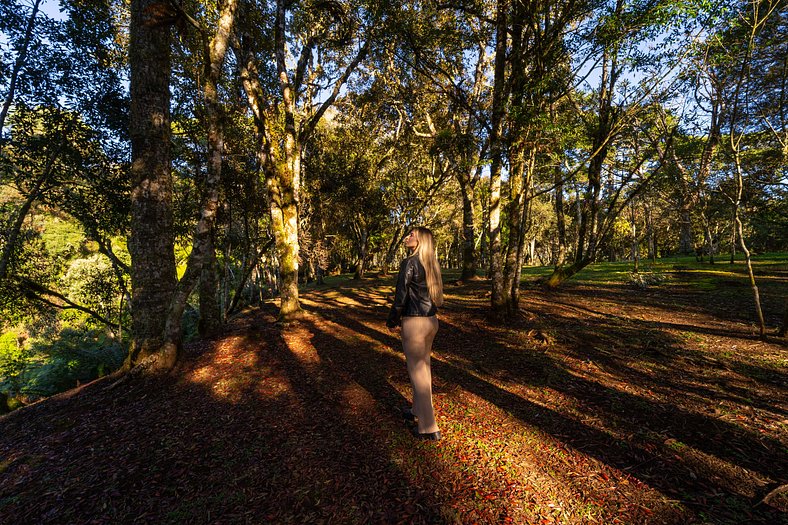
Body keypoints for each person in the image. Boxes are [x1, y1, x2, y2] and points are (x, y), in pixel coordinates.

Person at [386, 227, 443, 441]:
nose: (407, 237)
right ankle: (417, 410)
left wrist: (392, 320)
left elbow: (401, 296)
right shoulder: (432, 263)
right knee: (424, 368)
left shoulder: (410, 263)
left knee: (417, 371)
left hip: (415, 321)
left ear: (420, 241)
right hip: (431, 321)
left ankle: (428, 427)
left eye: (411, 235)